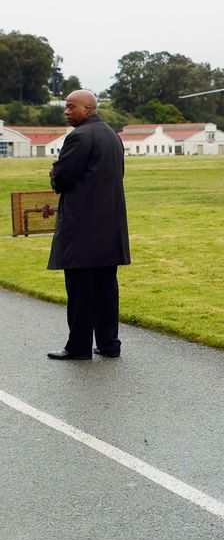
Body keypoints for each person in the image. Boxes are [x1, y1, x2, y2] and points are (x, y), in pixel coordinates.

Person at [46, 90, 130, 360]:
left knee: (80, 290)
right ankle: (108, 344)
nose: (67, 112)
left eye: (71, 107)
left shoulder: (79, 136)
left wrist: (54, 173)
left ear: (88, 108)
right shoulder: (112, 135)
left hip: (82, 226)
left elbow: (63, 179)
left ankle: (78, 347)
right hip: (110, 225)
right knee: (106, 288)